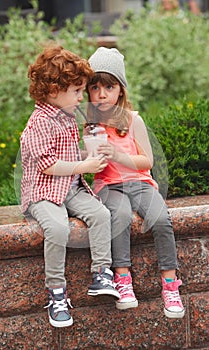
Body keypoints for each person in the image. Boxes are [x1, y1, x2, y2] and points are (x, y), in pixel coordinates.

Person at [20, 45, 120, 328]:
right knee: (58, 227)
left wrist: (87, 153)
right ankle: (56, 292)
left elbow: (68, 155)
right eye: (77, 91)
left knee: (101, 214)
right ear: (53, 90)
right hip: (44, 192)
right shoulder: (39, 122)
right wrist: (83, 167)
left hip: (70, 187)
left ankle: (101, 272)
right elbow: (49, 165)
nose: (81, 97)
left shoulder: (66, 117)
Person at [85, 46, 185, 318]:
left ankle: (170, 282)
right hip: (108, 185)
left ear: (120, 90)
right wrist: (89, 155)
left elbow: (147, 162)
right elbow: (85, 161)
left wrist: (118, 154)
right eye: (95, 88)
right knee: (118, 216)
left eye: (108, 87)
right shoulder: (88, 125)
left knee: (161, 218)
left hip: (139, 182)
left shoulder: (132, 120)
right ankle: (123, 278)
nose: (101, 94)